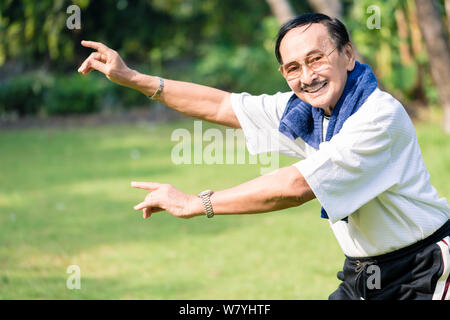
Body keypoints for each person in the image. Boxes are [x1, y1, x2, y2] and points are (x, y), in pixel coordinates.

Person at [78, 13, 450, 300]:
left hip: (423, 269)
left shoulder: (376, 116)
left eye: (316, 59)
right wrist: (133, 78)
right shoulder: (305, 112)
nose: (307, 76)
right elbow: (223, 105)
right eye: (293, 68)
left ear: (348, 55)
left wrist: (197, 202)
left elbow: (295, 186)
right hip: (363, 271)